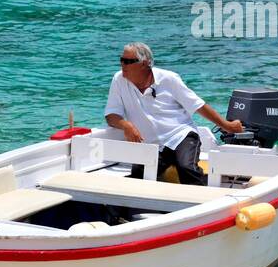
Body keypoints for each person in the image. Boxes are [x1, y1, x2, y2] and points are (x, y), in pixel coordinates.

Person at [104, 42, 244, 185]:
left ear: (144, 64)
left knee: (186, 168)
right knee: (139, 176)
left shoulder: (168, 79)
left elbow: (198, 105)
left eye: (128, 61)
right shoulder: (118, 80)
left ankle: (205, 198)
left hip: (180, 136)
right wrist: (126, 125)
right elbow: (111, 115)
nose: (123, 65)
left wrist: (227, 126)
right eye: (122, 60)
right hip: (151, 145)